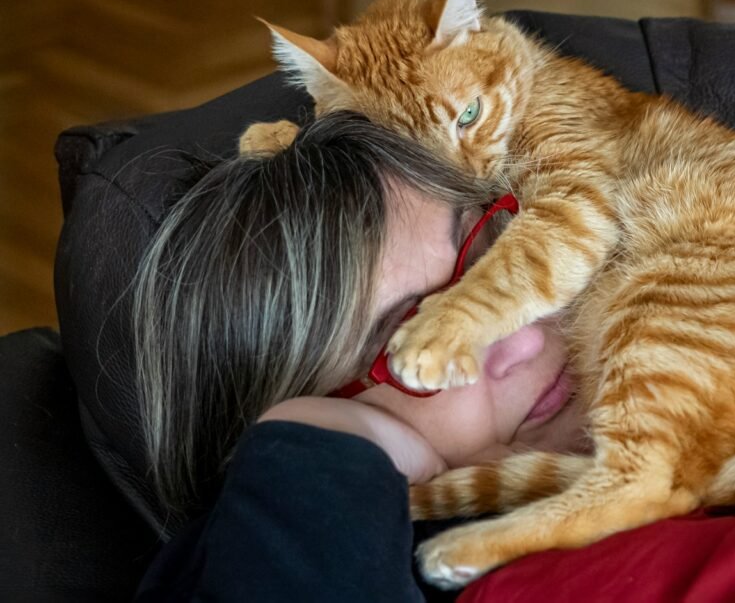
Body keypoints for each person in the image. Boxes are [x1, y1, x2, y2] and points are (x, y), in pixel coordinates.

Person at [131, 111, 587, 601]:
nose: (525, 341)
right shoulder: (271, 547)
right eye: (410, 343)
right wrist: (324, 446)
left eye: (488, 263)